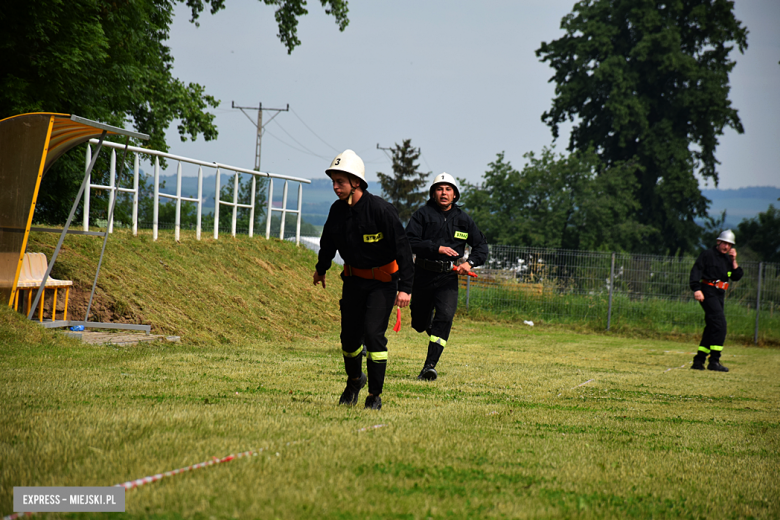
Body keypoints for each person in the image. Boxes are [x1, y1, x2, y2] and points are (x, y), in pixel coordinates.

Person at [313, 149, 414, 410]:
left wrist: (405, 288)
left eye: (341, 182)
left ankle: (374, 395)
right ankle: (355, 381)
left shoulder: (382, 210)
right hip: (353, 282)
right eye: (334, 182)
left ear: (356, 182)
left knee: (373, 336)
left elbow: (403, 249)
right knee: (349, 338)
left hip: (383, 283)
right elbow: (328, 243)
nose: (335, 187)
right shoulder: (337, 211)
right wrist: (321, 269)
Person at [405, 172, 488, 380]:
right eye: (440, 189)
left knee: (445, 317)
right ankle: (429, 327)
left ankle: (429, 366)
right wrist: (437, 248)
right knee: (419, 324)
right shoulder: (422, 215)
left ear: (455, 195)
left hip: (447, 280)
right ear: (433, 193)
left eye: (448, 189)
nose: (444, 193)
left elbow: (481, 247)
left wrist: (469, 263)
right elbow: (409, 241)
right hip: (422, 276)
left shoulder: (463, 219)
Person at [689, 229, 744, 372]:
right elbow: (696, 270)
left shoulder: (728, 259)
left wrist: (733, 260)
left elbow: (736, 276)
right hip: (707, 292)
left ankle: (699, 360)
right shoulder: (707, 255)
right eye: (724, 243)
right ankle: (714, 361)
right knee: (720, 325)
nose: (726, 247)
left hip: (720, 294)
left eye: (730, 245)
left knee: (712, 326)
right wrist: (696, 289)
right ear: (718, 242)